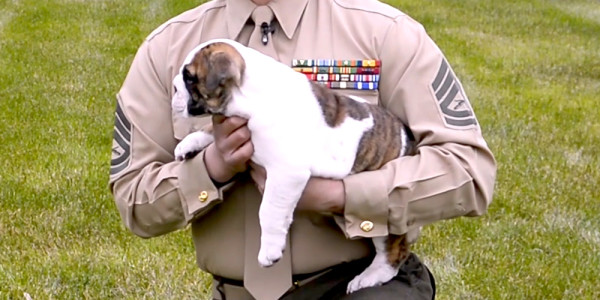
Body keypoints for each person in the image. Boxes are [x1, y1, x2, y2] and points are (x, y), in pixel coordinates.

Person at [109, 0, 497, 299]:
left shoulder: (384, 33)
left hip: (361, 286)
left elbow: (468, 171)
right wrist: (212, 167)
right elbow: (133, 200)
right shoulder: (167, 48)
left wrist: (342, 196)